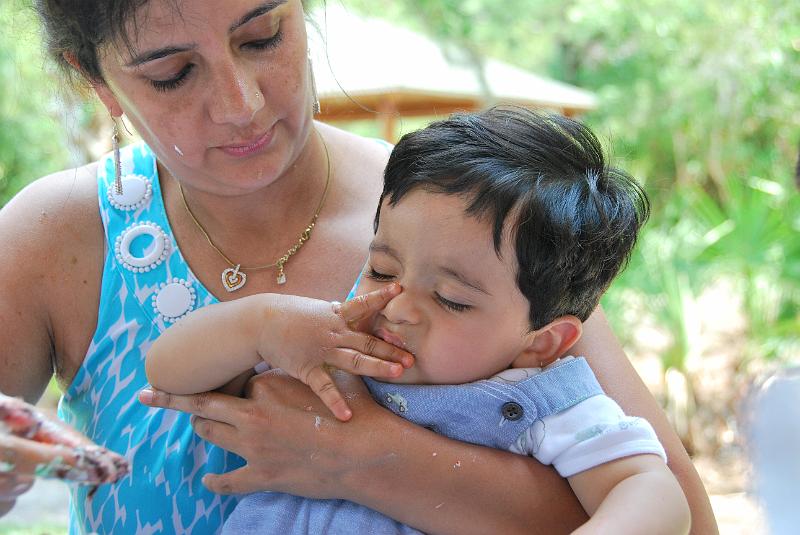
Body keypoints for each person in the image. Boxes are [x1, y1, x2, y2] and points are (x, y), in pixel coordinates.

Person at [0, 0, 717, 533]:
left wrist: (371, 459)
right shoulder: (54, 237)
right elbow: (165, 371)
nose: (241, 105)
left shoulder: (459, 220)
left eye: (261, 37)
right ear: (94, 80)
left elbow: (674, 510)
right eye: (173, 73)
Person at [146, 108, 692, 535]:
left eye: (452, 299)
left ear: (542, 342)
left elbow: (655, 494)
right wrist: (258, 324)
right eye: (382, 269)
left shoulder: (546, 403)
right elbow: (168, 371)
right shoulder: (335, 344)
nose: (399, 305)